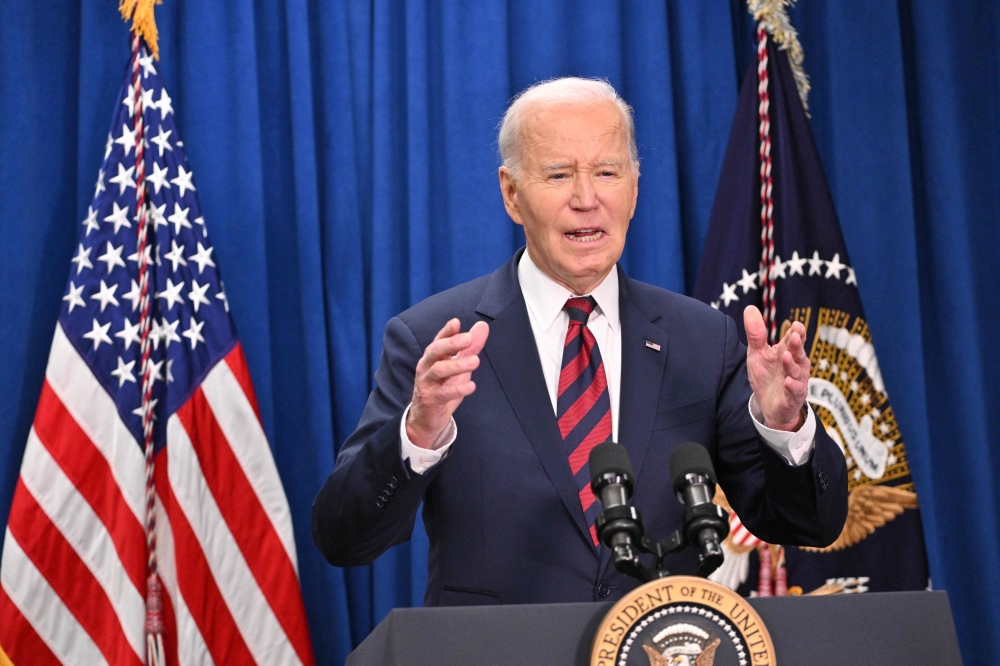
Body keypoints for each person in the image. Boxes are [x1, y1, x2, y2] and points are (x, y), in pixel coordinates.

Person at [312, 77, 847, 606]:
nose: (586, 199)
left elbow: (809, 525)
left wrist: (786, 429)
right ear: (511, 193)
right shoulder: (435, 340)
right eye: (559, 174)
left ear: (634, 189)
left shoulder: (703, 340)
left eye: (607, 172)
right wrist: (419, 432)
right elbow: (344, 539)